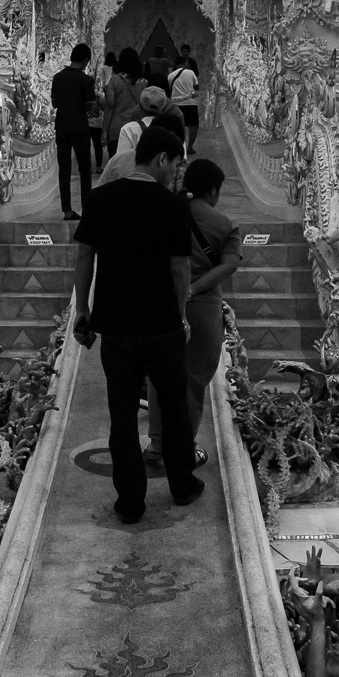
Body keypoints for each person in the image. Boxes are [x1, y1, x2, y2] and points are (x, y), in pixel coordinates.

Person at [72, 125, 203, 521]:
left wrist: (83, 309)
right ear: (161, 159)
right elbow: (180, 270)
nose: (177, 171)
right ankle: (182, 486)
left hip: (117, 328)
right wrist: (180, 316)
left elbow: (84, 259)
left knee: (123, 415)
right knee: (174, 408)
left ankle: (130, 502)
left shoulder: (99, 200)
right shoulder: (173, 206)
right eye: (176, 163)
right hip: (162, 326)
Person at [147, 158, 241, 467]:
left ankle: (158, 445)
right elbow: (230, 264)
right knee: (193, 378)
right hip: (203, 308)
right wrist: (196, 288)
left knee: (160, 376)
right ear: (213, 190)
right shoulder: (225, 223)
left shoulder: (165, 212)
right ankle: (184, 447)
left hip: (163, 303)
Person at [50, 43, 98, 220]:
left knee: (64, 168)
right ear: (86, 60)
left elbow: (54, 103)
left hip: (61, 127)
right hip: (80, 128)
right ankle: (87, 209)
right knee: (85, 169)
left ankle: (67, 210)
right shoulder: (86, 80)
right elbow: (90, 107)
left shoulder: (57, 77)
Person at [102, 48, 144, 155]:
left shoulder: (115, 80)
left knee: (117, 163)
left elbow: (110, 105)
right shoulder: (144, 82)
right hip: (137, 127)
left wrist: (104, 131)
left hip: (117, 127)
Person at [171, 46, 200, 156]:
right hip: (190, 101)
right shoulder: (191, 73)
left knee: (179, 125)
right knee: (193, 124)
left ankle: (180, 146)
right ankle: (189, 147)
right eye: (183, 51)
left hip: (176, 102)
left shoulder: (171, 75)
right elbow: (196, 86)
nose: (184, 53)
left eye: (186, 51)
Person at [90, 50, 117, 167]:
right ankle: (99, 166)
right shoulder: (98, 96)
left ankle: (89, 166)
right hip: (97, 124)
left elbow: (101, 79)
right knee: (97, 146)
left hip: (87, 124)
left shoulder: (104, 68)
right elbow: (103, 107)